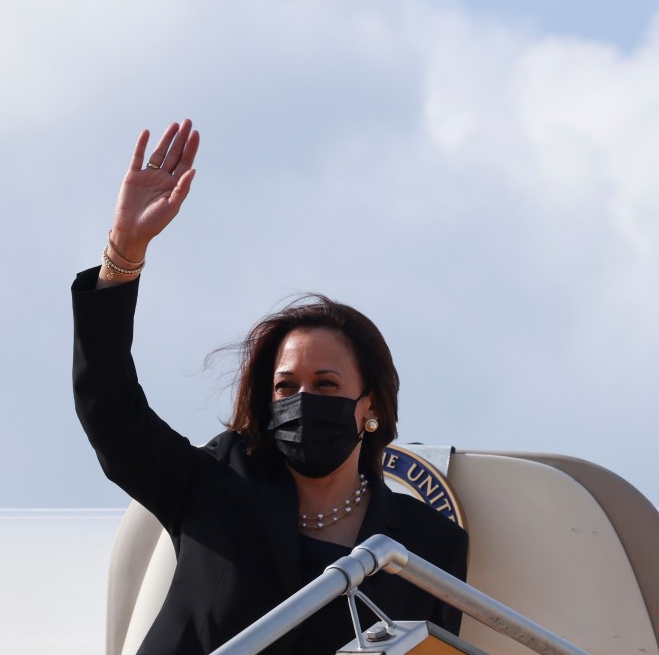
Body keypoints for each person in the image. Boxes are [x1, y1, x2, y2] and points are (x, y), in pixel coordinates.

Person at [71, 119, 468, 655]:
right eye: (286, 386)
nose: (303, 399)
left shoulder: (426, 545)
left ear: (369, 405)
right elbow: (110, 408)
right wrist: (124, 252)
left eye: (326, 384)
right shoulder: (215, 486)